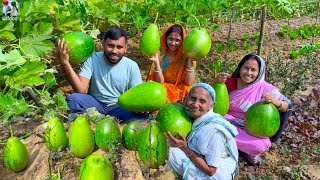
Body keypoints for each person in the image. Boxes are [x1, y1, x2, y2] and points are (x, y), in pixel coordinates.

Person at [209, 54, 291, 165]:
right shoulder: (230, 83)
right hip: (226, 122)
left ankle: (228, 143)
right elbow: (206, 94)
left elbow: (286, 106)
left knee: (260, 145)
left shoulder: (265, 88)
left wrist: (274, 101)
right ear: (240, 68)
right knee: (213, 126)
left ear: (259, 72)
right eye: (246, 68)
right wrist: (215, 81)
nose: (248, 73)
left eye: (253, 70)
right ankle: (237, 147)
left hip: (250, 129)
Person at [57, 28, 148, 122]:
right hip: (95, 105)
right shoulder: (92, 59)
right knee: (74, 99)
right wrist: (65, 63)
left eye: (119, 47)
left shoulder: (131, 66)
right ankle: (83, 125)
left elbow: (137, 97)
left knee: (142, 118)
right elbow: (81, 90)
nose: (114, 51)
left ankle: (95, 121)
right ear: (103, 44)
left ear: (125, 48)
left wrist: (142, 107)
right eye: (110, 46)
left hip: (120, 107)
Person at [165, 83, 239, 179]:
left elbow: (211, 171)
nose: (195, 105)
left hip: (216, 173)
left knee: (172, 152)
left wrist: (185, 148)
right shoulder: (193, 116)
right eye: (193, 98)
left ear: (211, 105)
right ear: (187, 99)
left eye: (202, 101)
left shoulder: (215, 131)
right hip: (199, 158)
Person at [147, 24, 197, 103]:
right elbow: (160, 82)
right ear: (165, 38)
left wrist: (189, 61)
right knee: (152, 86)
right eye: (170, 39)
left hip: (180, 91)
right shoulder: (160, 55)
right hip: (163, 89)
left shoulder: (185, 56)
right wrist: (156, 62)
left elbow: (189, 82)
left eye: (177, 40)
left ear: (182, 41)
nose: (173, 43)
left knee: (190, 88)